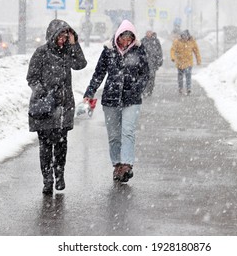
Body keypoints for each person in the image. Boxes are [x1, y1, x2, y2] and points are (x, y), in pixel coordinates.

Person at [83, 20, 150, 183]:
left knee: (128, 131)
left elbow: (146, 74)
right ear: (118, 37)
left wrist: (137, 87)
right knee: (114, 136)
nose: (126, 42)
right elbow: (99, 73)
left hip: (131, 99)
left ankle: (127, 164)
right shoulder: (109, 50)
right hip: (111, 99)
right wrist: (90, 92)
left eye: (129, 39)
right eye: (123, 38)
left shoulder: (139, 50)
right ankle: (117, 165)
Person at [27, 19, 87, 194]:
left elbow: (81, 64)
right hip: (45, 106)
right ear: (52, 35)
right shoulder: (41, 53)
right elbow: (31, 77)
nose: (62, 39)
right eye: (59, 35)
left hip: (64, 105)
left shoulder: (68, 53)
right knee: (45, 145)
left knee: (61, 144)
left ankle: (59, 174)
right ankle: (47, 179)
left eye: (65, 36)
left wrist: (74, 43)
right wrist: (43, 93)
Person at [170, 29, 201, 95]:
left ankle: (188, 88)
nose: (185, 38)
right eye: (183, 36)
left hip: (188, 62)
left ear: (188, 36)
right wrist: (173, 57)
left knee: (188, 75)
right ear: (181, 36)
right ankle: (180, 88)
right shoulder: (177, 42)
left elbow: (196, 51)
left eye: (186, 36)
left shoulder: (192, 42)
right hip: (180, 62)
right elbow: (172, 50)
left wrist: (198, 60)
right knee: (180, 76)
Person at [141, 30, 163, 97]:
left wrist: (159, 60)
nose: (148, 34)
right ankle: (144, 90)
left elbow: (159, 51)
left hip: (153, 62)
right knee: (144, 77)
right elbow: (139, 51)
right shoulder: (143, 40)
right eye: (147, 32)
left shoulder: (156, 41)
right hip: (144, 62)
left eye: (149, 32)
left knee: (151, 77)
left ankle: (150, 90)